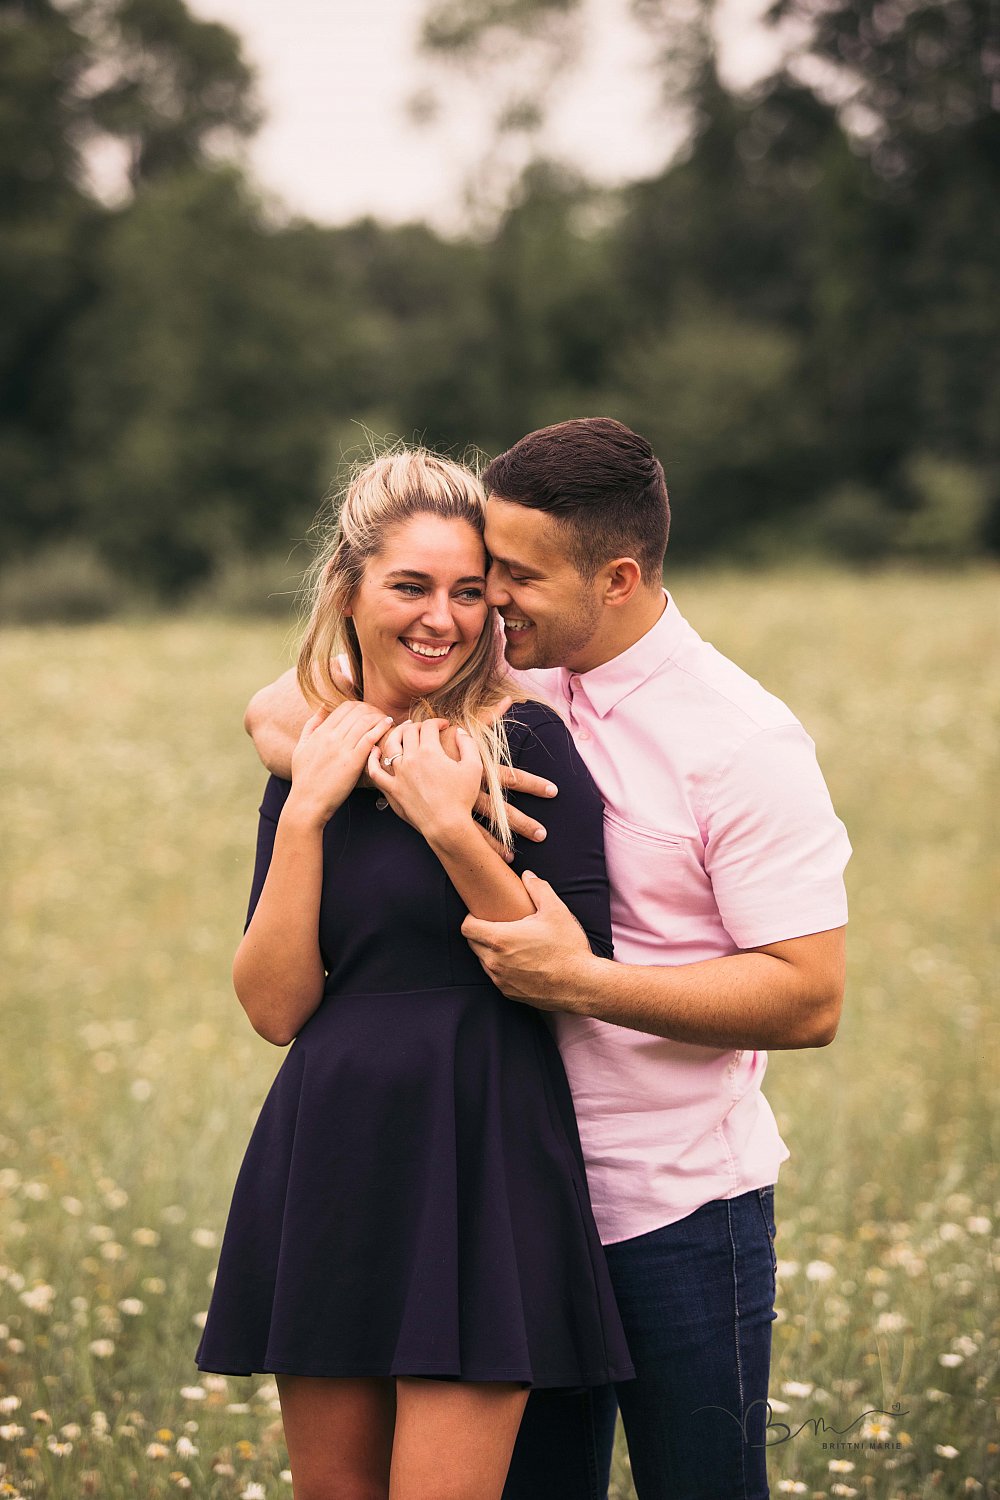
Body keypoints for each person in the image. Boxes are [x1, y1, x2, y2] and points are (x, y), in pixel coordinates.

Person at [245, 418, 852, 1500]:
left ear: (614, 579)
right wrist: (363, 764)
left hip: (666, 1203)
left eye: (507, 579)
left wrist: (576, 981)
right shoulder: (519, 672)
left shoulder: (740, 742)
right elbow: (297, 698)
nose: (484, 607)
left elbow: (809, 998)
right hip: (485, 1176)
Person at [195, 447, 634, 1500]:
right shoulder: (309, 751)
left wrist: (448, 822)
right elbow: (274, 1007)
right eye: (411, 586)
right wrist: (307, 806)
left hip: (482, 1139)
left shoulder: (530, 741)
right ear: (350, 590)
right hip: (335, 1141)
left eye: (468, 592)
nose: (442, 618)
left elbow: (571, 970)